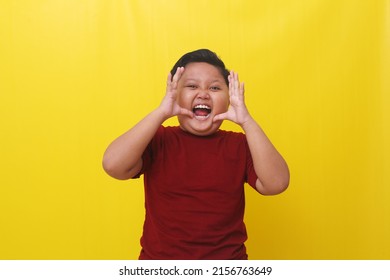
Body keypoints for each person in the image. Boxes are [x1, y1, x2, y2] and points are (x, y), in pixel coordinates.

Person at [102, 49, 289, 260]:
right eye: (191, 86)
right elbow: (113, 165)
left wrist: (247, 121)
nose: (203, 93)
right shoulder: (159, 139)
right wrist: (161, 112)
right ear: (174, 95)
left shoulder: (240, 145)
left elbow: (277, 183)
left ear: (229, 98)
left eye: (215, 87)